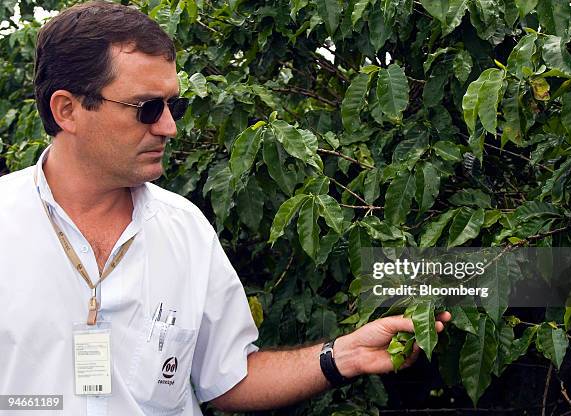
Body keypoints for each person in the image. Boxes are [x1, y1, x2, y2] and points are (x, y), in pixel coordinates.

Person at [0, 1, 451, 414]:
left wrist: (343, 357)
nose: (169, 127)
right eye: (147, 107)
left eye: (172, 104)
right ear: (68, 110)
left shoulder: (185, 229)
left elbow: (228, 379)